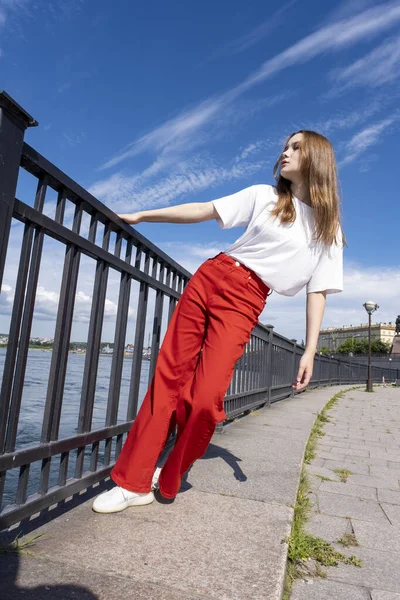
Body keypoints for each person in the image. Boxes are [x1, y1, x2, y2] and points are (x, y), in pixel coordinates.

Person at [92, 130, 345, 513]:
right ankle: (133, 483)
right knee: (168, 377)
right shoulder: (265, 196)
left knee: (207, 397)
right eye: (285, 146)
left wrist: (310, 350)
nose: (285, 151)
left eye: (296, 147)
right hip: (211, 276)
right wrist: (145, 215)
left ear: (318, 159)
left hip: (247, 298)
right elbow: (206, 209)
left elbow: (318, 292)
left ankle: (170, 473)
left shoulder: (329, 230)